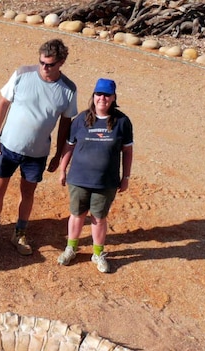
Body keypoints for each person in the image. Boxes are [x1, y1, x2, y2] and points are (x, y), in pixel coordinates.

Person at [0, 39, 78, 258]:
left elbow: (65, 124)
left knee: (27, 194)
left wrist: (59, 154)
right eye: (41, 62)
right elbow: (2, 104)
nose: (44, 68)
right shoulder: (22, 74)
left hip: (37, 154)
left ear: (62, 62)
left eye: (49, 64)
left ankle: (19, 233)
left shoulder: (68, 90)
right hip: (8, 147)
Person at [56, 78, 134, 273]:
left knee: (98, 217)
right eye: (99, 94)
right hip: (79, 178)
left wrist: (126, 177)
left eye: (107, 95)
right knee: (76, 214)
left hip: (105, 181)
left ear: (114, 97)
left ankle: (98, 253)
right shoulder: (81, 120)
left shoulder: (122, 122)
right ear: (93, 96)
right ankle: (71, 248)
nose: (102, 98)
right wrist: (62, 169)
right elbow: (69, 146)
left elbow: (128, 151)